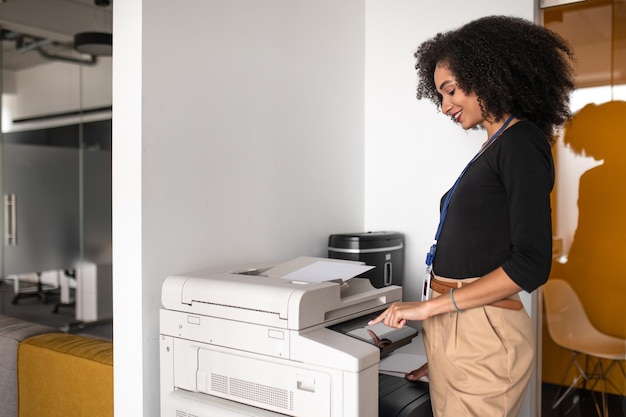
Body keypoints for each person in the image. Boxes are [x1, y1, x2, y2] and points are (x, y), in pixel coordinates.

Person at [368, 15, 575, 417]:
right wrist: (442, 351)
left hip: (477, 330)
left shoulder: (520, 142)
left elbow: (530, 265)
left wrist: (426, 310)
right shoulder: (493, 145)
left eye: (450, 90)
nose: (444, 106)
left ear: (489, 76)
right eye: (440, 95)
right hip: (457, 330)